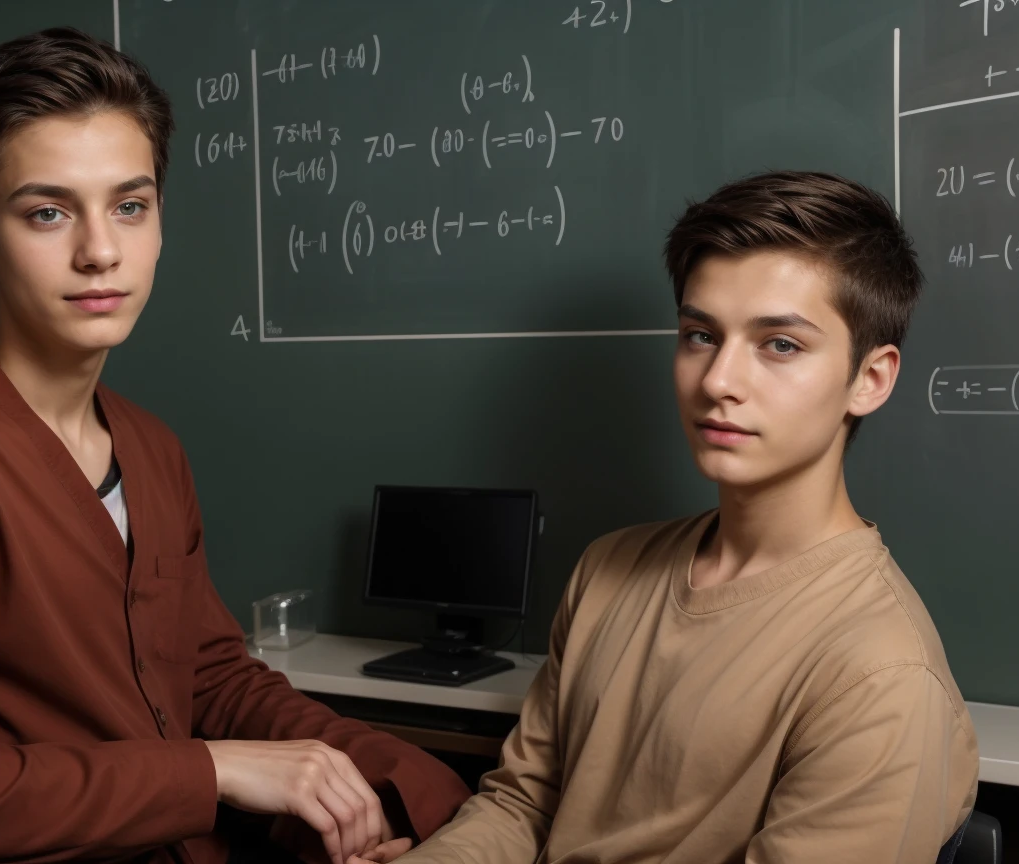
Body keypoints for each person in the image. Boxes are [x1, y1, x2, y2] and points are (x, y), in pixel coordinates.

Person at [0, 27, 470, 864]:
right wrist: (210, 772)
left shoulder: (152, 450)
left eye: (130, 205)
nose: (100, 251)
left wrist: (393, 779)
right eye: (48, 213)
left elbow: (210, 679)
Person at [363, 171, 980, 864]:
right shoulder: (606, 569)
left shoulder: (880, 674)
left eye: (780, 344)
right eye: (699, 335)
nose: (718, 380)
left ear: (870, 379)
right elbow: (524, 802)